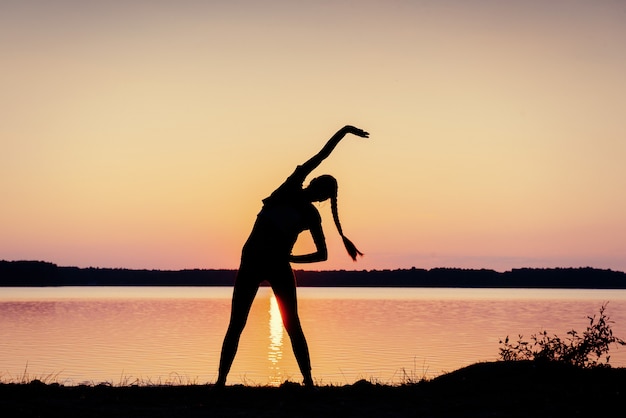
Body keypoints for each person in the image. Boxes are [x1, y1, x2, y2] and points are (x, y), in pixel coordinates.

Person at [216, 125, 369, 387]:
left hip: (276, 265)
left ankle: (309, 381)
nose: (319, 192)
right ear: (313, 182)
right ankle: (220, 382)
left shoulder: (311, 215)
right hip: (252, 260)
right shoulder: (290, 188)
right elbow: (321, 156)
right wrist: (343, 131)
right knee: (237, 323)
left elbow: (323, 254)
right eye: (320, 186)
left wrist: (291, 260)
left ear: (322, 198)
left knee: (292, 324)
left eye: (323, 193)